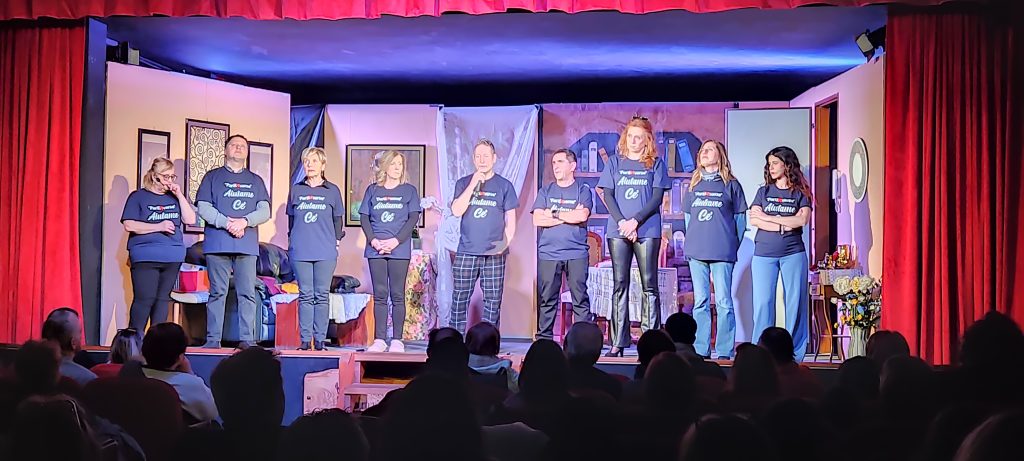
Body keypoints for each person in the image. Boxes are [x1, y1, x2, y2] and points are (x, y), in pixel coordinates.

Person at [596, 116, 671, 356]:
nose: (634, 141)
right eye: (630, 136)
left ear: (647, 140)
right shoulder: (614, 162)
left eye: (638, 137)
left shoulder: (656, 164)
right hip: (618, 230)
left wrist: (635, 221)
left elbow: (657, 198)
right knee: (620, 284)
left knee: (649, 285)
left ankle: (650, 343)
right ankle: (618, 341)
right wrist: (622, 222)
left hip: (647, 230)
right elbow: (607, 194)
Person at [195, 134, 271, 349]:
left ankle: (247, 340)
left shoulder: (256, 180)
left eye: (242, 146)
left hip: (246, 245)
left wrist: (245, 221)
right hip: (217, 244)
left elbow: (264, 211)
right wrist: (227, 223)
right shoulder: (212, 177)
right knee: (217, 293)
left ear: (247, 152)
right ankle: (213, 340)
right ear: (225, 150)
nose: (238, 148)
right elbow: (203, 207)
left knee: (247, 293)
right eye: (234, 145)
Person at [682, 140, 746, 360]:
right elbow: (688, 220)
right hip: (696, 251)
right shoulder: (693, 185)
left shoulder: (731, 185)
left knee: (723, 302)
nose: (704, 153)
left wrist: (731, 245)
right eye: (702, 150)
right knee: (700, 301)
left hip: (722, 251)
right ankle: (701, 349)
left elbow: (740, 221)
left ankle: (725, 351)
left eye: (710, 149)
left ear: (720, 156)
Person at [748, 146, 813, 362]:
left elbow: (802, 220)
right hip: (763, 254)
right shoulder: (763, 192)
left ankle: (795, 354)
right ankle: (760, 353)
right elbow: (754, 219)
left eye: (775, 163)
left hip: (793, 253)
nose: (771, 167)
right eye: (769, 164)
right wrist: (785, 224)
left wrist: (769, 218)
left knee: (795, 302)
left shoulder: (800, 193)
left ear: (787, 165)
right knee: (763, 303)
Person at [449, 139, 519, 334]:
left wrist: (505, 244)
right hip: (467, 250)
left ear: (494, 158)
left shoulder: (504, 185)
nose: (482, 160)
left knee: (493, 301)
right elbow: (456, 211)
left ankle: (488, 345)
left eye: (486, 156)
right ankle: (455, 342)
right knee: (460, 299)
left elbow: (511, 220)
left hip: (494, 253)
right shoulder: (463, 183)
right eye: (478, 156)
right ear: (473, 159)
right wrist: (473, 183)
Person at [121, 157, 197, 331]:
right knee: (145, 299)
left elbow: (190, 219)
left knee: (163, 300)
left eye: (172, 176)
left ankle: (156, 342)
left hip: (172, 256)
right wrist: (159, 226)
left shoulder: (174, 198)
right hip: (146, 255)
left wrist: (179, 195)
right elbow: (129, 225)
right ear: (155, 176)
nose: (170, 181)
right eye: (166, 176)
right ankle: (135, 341)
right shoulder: (138, 196)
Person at [361, 150, 422, 353]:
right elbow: (364, 218)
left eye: (400, 164)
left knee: (397, 294)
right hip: (376, 249)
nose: (397, 168)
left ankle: (397, 340)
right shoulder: (372, 190)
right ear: (385, 166)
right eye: (393, 164)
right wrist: (374, 241)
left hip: (399, 249)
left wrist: (396, 241)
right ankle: (379, 339)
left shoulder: (409, 191)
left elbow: (413, 218)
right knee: (380, 294)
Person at [532, 148, 593, 340]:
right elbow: (537, 219)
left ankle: (583, 341)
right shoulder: (546, 191)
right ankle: (544, 341)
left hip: (576, 253)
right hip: (549, 254)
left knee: (580, 299)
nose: (555, 166)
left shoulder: (582, 190)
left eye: (560, 162)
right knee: (547, 299)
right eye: (553, 163)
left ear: (572, 166)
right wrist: (569, 215)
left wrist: (553, 213)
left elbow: (581, 216)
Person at [287, 147, 345, 351]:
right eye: (306, 161)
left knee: (321, 294)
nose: (309, 165)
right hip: (300, 250)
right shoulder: (296, 190)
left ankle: (320, 340)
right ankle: (305, 340)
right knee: (305, 294)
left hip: (325, 250)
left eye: (314, 161)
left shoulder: (332, 190)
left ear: (323, 165)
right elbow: (291, 220)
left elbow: (338, 220)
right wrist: (291, 242)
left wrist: (336, 241)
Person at [141, 323, 219, 423]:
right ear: (180, 357)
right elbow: (213, 413)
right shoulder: (189, 384)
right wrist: (190, 374)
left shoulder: (132, 375)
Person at [40, 307, 96, 386]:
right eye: (80, 332)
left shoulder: (26, 374)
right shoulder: (88, 380)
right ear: (73, 343)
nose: (81, 337)